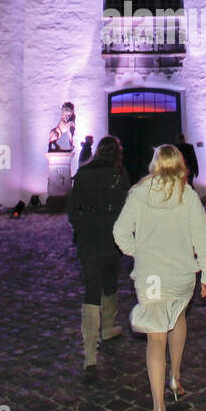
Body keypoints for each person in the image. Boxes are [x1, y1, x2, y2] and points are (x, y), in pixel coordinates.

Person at [112, 145, 206, 411]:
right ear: (180, 165)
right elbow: (203, 238)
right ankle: (175, 378)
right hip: (182, 275)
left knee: (155, 336)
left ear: (154, 164)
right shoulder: (188, 195)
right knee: (178, 316)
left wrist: (137, 252)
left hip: (152, 277)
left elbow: (119, 232)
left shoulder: (138, 194)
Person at [66, 137, 130, 380]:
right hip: (113, 236)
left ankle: (90, 354)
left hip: (89, 238)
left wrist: (82, 227)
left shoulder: (83, 175)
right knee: (111, 281)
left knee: (91, 289)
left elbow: (72, 209)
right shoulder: (120, 174)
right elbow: (128, 206)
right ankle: (108, 327)